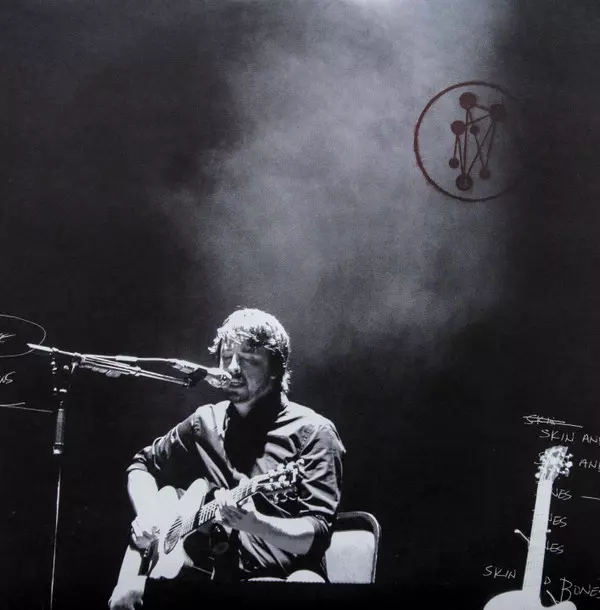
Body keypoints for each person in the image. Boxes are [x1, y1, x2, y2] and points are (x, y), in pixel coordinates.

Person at [109, 308, 345, 609]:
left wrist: (255, 524)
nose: (232, 368)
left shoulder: (314, 432)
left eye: (247, 358)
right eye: (226, 357)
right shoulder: (205, 422)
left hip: (281, 581)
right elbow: (142, 465)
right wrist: (149, 515)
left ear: (275, 367)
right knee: (124, 596)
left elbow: (318, 533)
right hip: (208, 581)